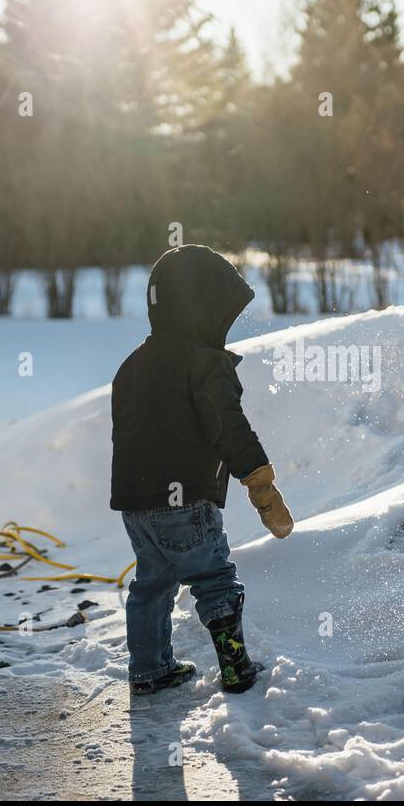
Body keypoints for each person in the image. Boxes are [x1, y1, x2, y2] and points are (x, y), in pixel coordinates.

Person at [110, 245, 293, 695]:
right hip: (187, 500)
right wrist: (260, 483)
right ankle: (235, 668)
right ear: (201, 307)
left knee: (151, 584)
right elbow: (227, 426)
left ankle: (150, 670)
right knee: (214, 580)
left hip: (136, 505)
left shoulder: (131, 366)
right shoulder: (204, 363)